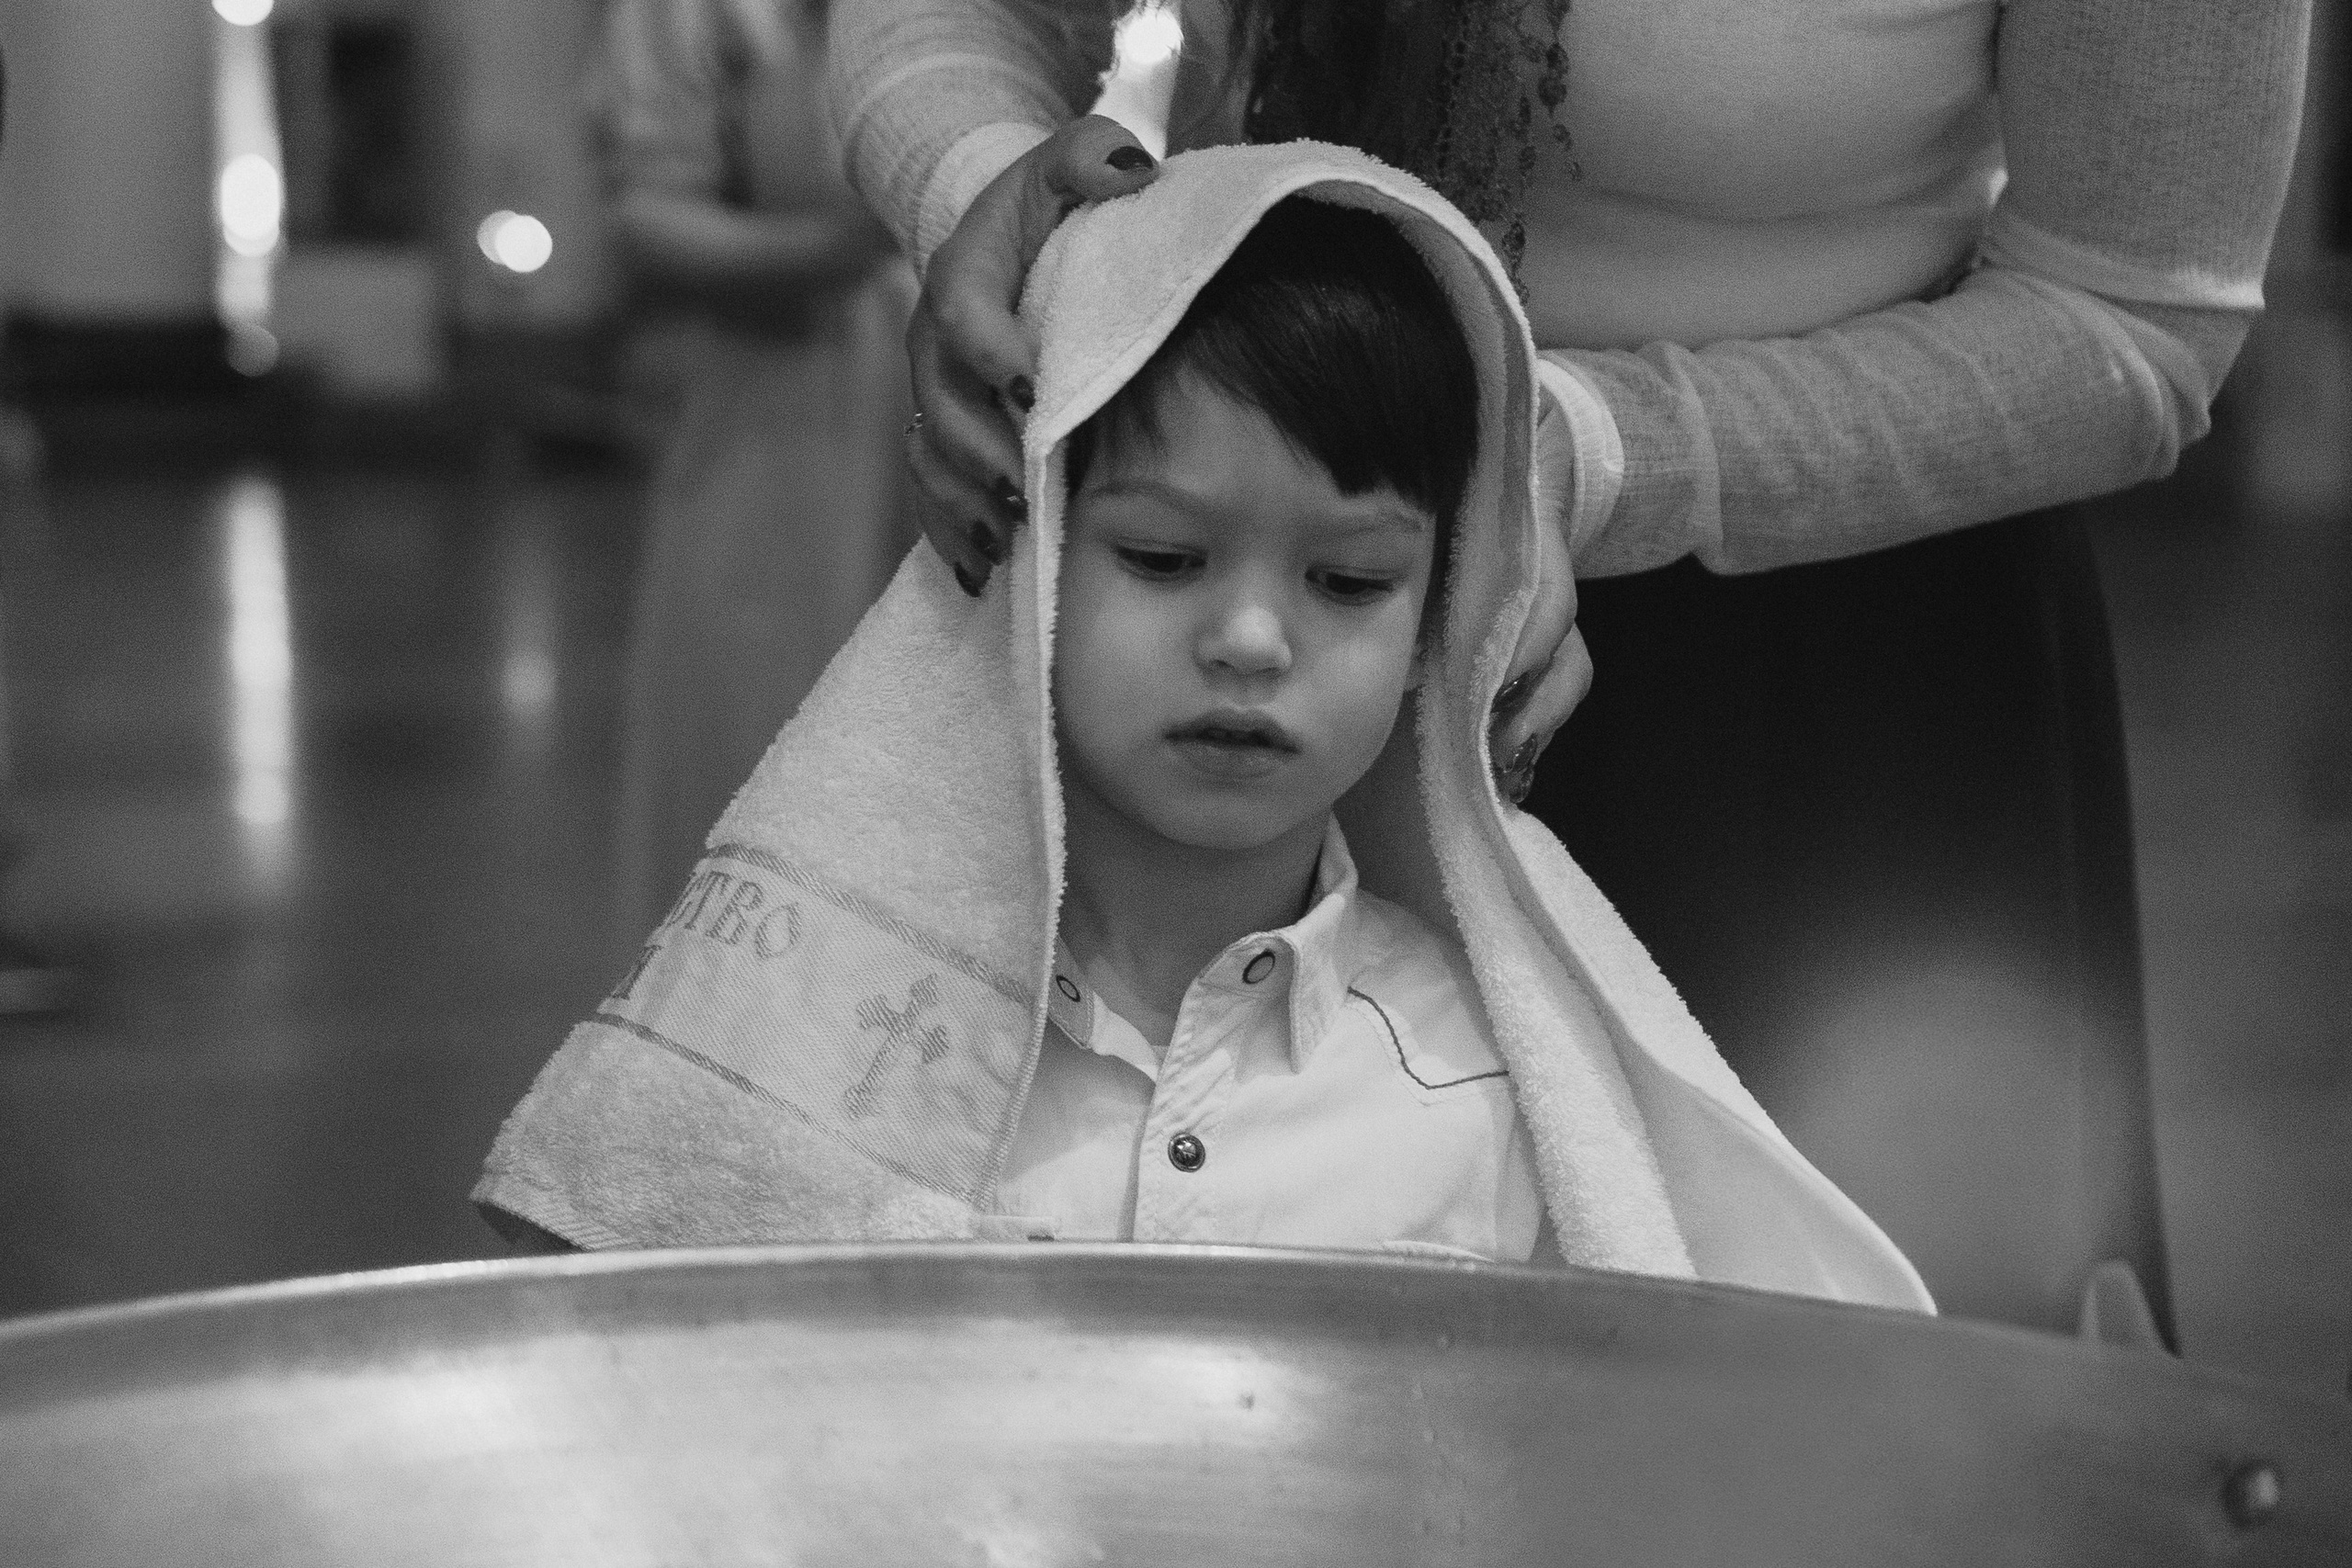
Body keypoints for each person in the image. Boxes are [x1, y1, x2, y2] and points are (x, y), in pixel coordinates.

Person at [825, 0, 2309, 1332]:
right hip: (1289, 545)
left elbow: (2131, 318)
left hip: (1824, 682)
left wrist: (1594, 451)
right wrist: (1002, 208)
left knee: (1823, 1434)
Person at [474, 144, 1931, 1310]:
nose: (1249, 636)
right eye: (1164, 558)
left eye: (1351, 579)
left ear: (1447, 611)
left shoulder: (1479, 1088)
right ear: (1035, 547)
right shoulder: (844, 1039)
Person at [596, 0, 920, 946]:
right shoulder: (700, 16)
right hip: (783, 406)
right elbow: (646, 212)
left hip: (950, 394)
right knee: (762, 732)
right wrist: (842, 247)